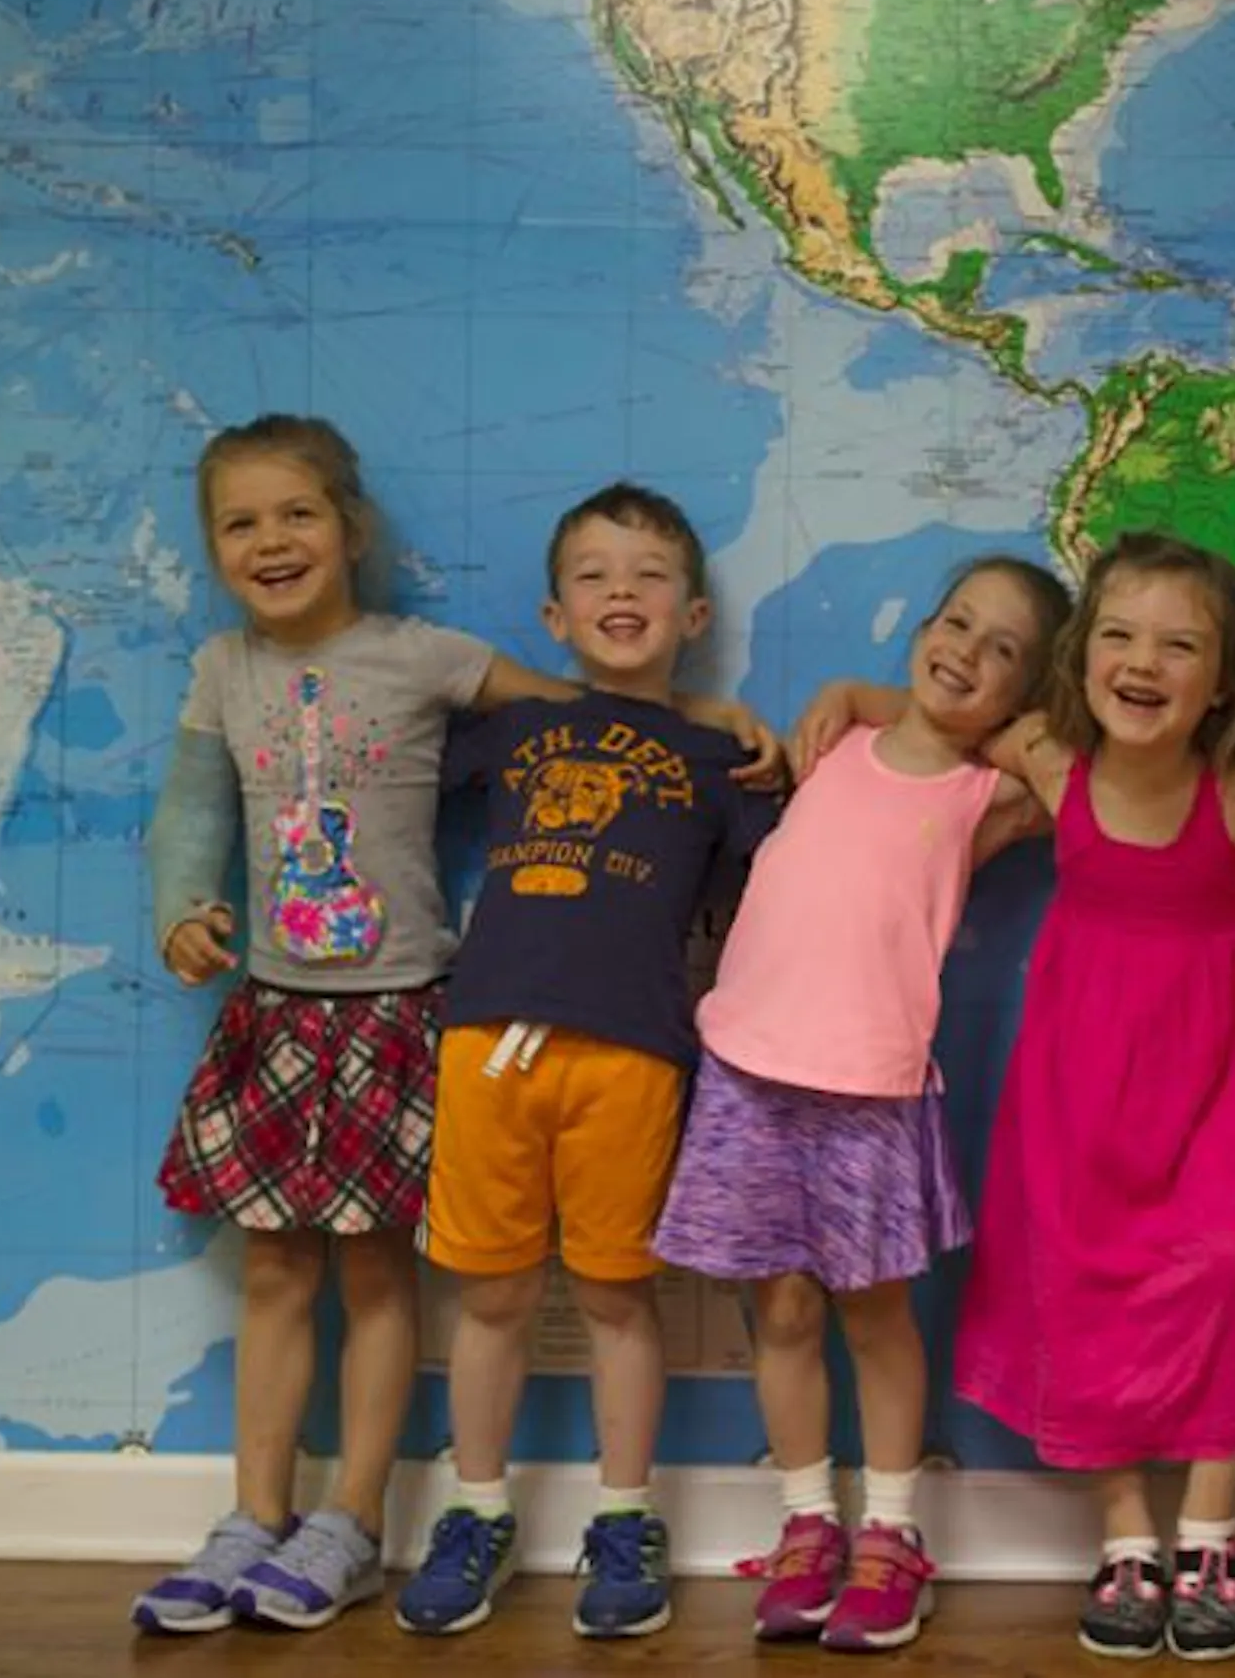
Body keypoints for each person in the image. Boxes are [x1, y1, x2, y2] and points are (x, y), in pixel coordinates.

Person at [133, 415, 568, 1633]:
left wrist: (705, 725)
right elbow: (188, 814)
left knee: (378, 1272)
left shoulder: (423, 657)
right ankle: (252, 1516)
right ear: (215, 549)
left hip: (397, 1014)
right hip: (275, 1013)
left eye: (298, 514)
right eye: (240, 523)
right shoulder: (225, 669)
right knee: (276, 1269)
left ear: (351, 527)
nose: (271, 540)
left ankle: (354, 1522)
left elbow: (577, 719)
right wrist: (181, 912)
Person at [651, 556, 1072, 1655]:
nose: (965, 653)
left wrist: (995, 725)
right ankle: (806, 1521)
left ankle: (890, 1535)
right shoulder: (831, 741)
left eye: (1002, 651)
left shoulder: (988, 796)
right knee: (783, 1312)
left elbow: (1084, 761)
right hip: (748, 1072)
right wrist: (862, 696)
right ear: (922, 625)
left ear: (1027, 691)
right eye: (955, 623)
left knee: (874, 1316)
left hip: (870, 1087)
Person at [392, 483, 781, 1640]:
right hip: (487, 1040)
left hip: (634, 1054)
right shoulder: (518, 728)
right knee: (492, 1294)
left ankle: (625, 1517)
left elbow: (784, 888)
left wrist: (739, 729)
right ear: (555, 616)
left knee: (617, 1295)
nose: (623, 592)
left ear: (693, 615)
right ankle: (476, 1511)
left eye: (650, 575)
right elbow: (396, 737)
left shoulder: (718, 753)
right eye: (595, 576)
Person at [952, 532, 1235, 1663]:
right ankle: (1127, 1538)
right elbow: (946, 721)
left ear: (1224, 684)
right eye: (1118, 635)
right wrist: (853, 701)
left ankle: (1211, 1532)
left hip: (1227, 1071)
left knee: (1230, 1266)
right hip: (1081, 1075)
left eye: (1180, 645)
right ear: (1081, 658)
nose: (1143, 662)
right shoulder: (1055, 763)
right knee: (1071, 1275)